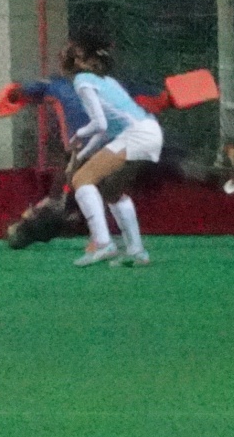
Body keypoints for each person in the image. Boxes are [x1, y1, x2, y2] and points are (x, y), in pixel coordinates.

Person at [63, 32, 162, 267]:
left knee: (81, 180)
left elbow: (100, 124)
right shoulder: (108, 81)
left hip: (136, 135)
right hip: (149, 131)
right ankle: (137, 252)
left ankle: (102, 243)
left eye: (72, 50)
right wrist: (83, 154)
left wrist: (78, 135)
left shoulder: (82, 81)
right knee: (112, 191)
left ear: (81, 59)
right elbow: (107, 130)